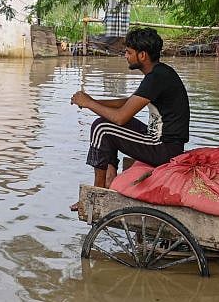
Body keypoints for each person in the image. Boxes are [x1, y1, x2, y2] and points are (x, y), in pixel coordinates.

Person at [70, 27, 190, 210]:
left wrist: (89, 104)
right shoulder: (159, 73)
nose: (125, 56)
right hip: (162, 141)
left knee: (102, 128)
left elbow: (120, 118)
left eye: (128, 52)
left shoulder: (156, 77)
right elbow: (128, 103)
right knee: (104, 124)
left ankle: (96, 192)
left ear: (142, 55)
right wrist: (93, 100)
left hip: (164, 148)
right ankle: (109, 180)